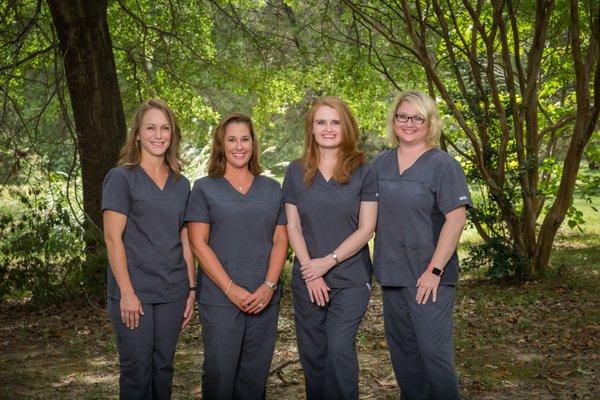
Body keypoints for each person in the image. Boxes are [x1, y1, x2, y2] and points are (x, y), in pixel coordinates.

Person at [372, 90, 471, 399]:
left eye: (417, 118)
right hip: (392, 275)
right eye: (403, 116)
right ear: (393, 120)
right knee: (404, 359)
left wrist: (435, 270)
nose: (409, 123)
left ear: (430, 123)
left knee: (433, 356)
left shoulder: (444, 166)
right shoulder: (379, 164)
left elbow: (456, 221)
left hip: (430, 279)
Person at [185, 113, 288, 400]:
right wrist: (231, 290)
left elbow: (281, 238)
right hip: (220, 298)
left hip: (264, 295)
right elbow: (198, 244)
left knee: (254, 377)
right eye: (232, 139)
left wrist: (268, 286)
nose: (239, 146)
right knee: (219, 373)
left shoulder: (271, 189)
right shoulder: (204, 188)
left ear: (254, 144)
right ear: (221, 144)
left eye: (245, 139)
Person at [282, 96, 378, 399]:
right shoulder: (296, 171)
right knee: (313, 354)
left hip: (350, 277)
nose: (328, 128)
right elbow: (293, 226)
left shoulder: (363, 169)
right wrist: (312, 271)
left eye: (335, 122)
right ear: (311, 129)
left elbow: (367, 228)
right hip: (308, 278)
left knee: (339, 350)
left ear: (346, 127)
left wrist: (328, 262)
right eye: (321, 122)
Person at [102, 99, 196, 399]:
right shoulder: (121, 178)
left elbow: (186, 240)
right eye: (151, 127)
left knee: (164, 368)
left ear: (172, 134)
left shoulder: (182, 184)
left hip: (172, 291)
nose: (158, 134)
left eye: (165, 128)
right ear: (138, 134)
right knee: (136, 370)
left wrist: (191, 289)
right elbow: (112, 239)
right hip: (135, 292)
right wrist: (126, 293)